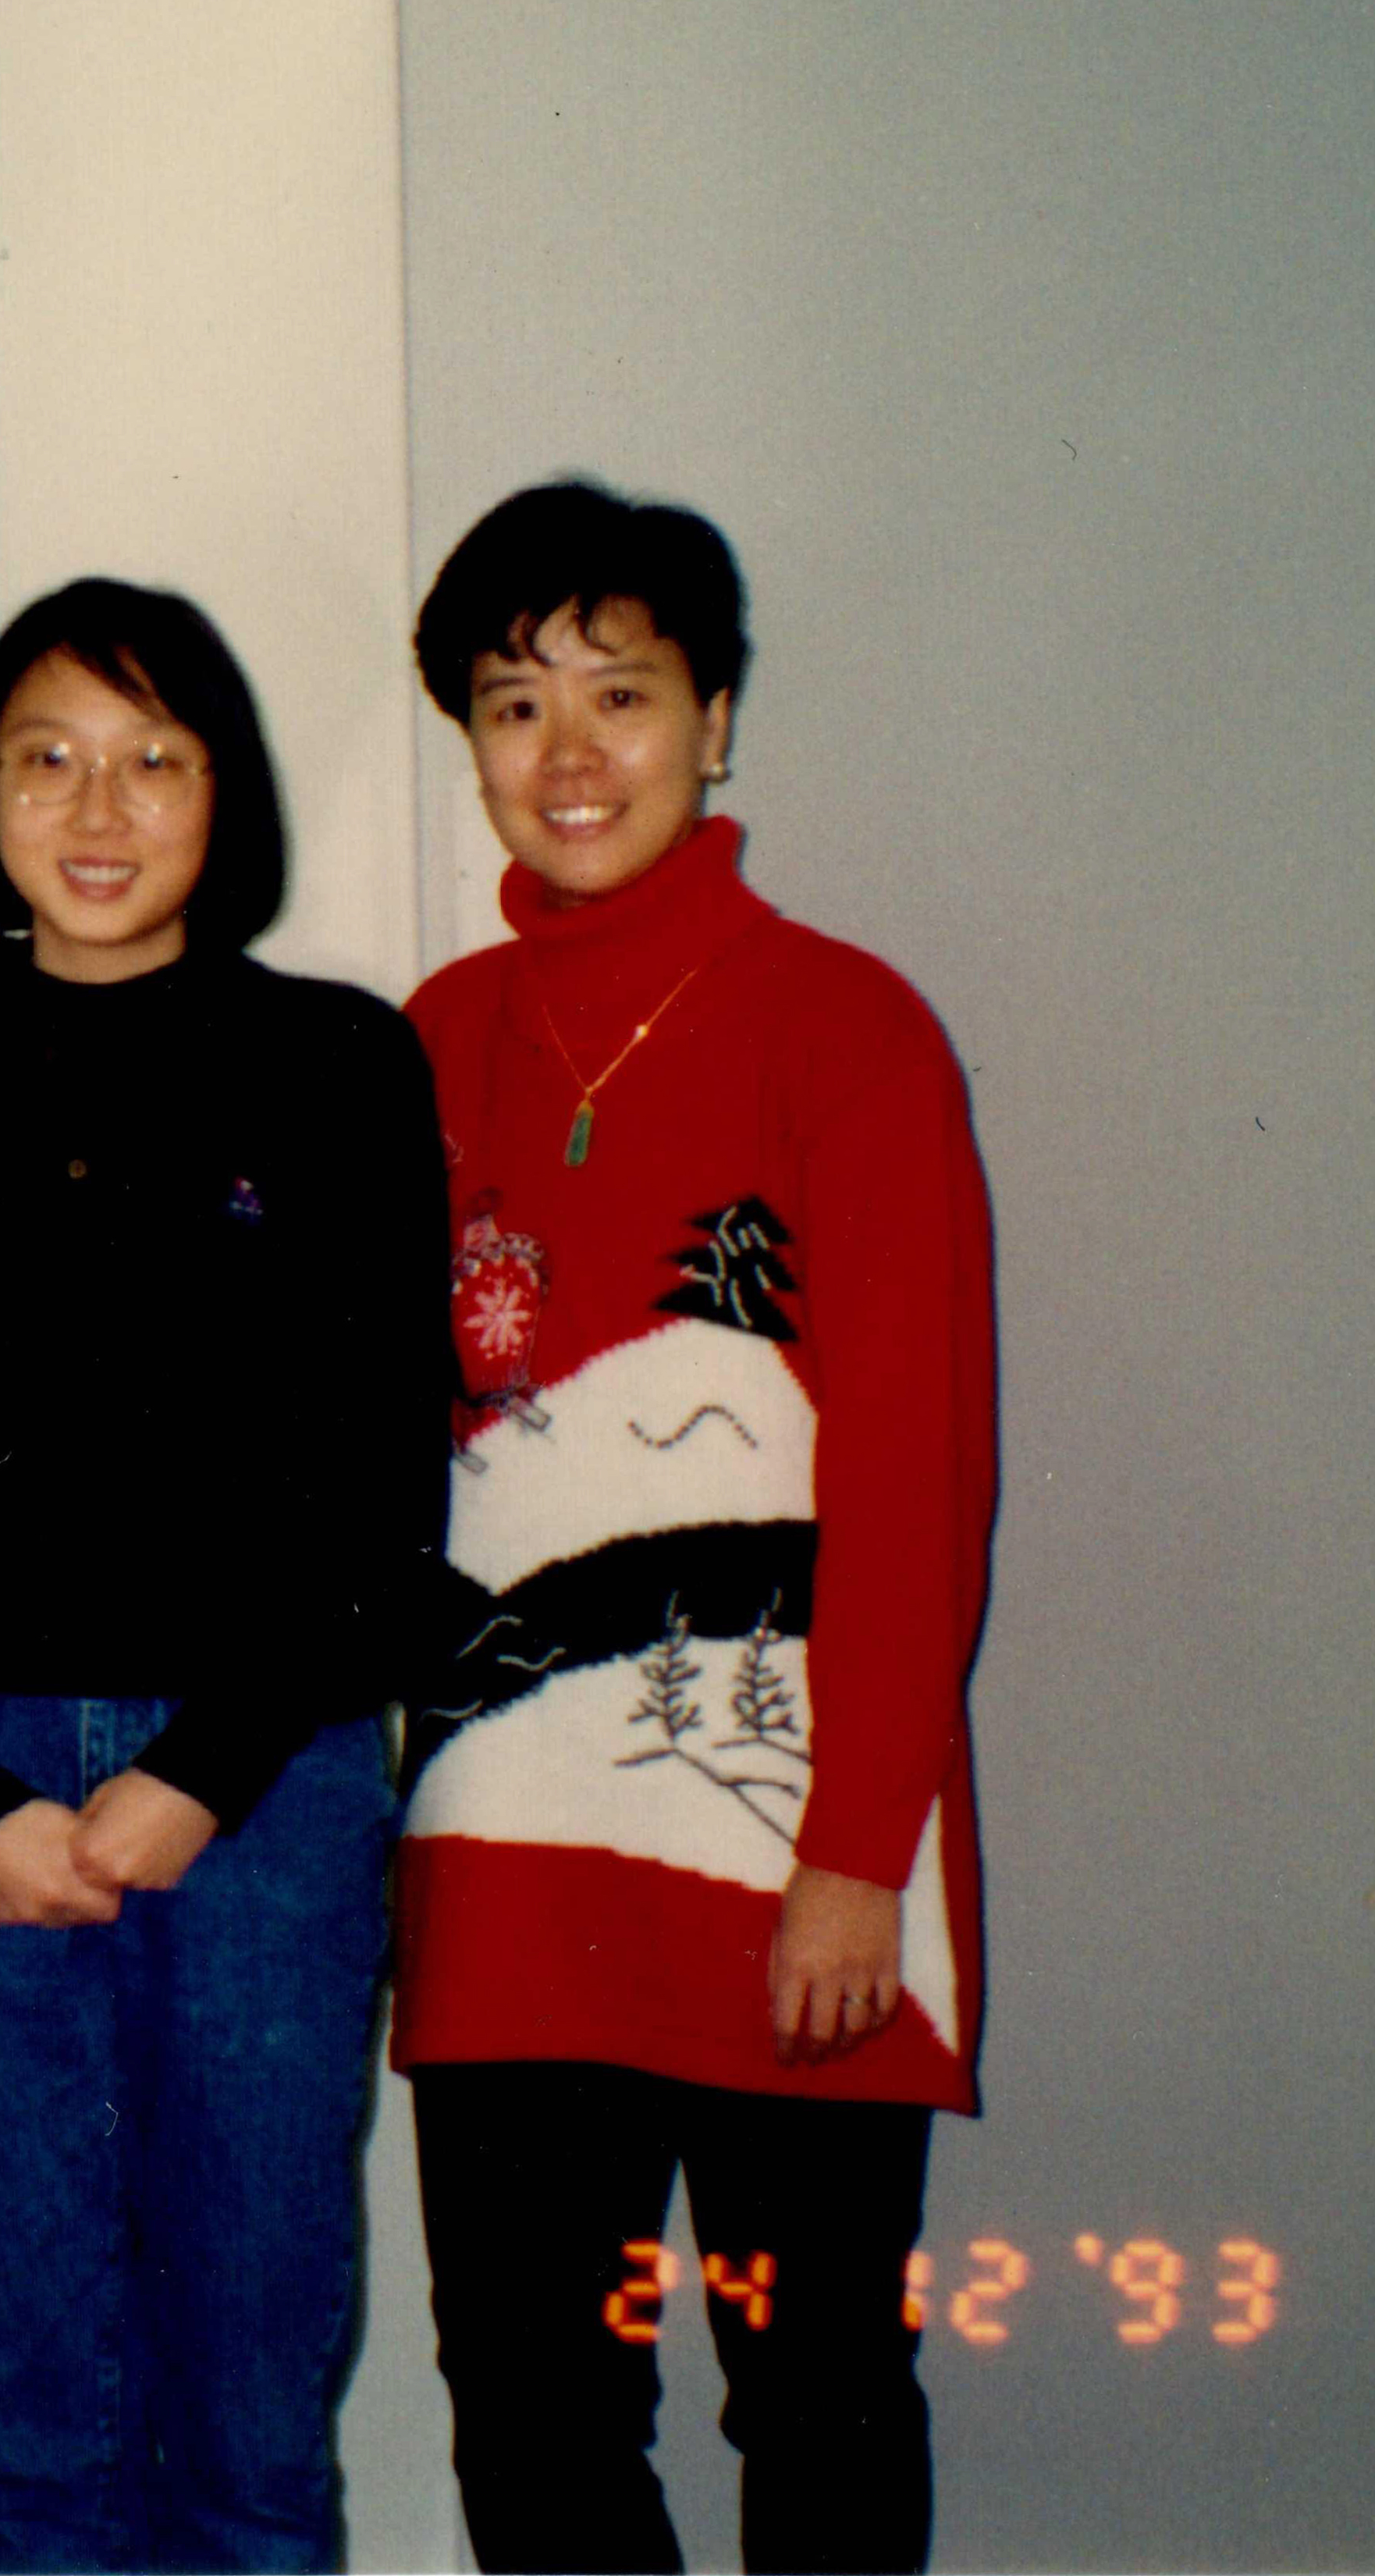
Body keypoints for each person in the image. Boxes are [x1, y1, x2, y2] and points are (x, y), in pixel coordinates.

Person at [0, 579, 450, 2573]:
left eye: (152, 758)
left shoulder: (335, 1063)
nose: (98, 806)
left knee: (251, 2419)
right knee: (33, 2423)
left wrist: (205, 1768)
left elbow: (374, 1479)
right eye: (46, 755)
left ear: (217, 797)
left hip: (268, 1781)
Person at [391, 478, 997, 2574]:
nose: (567, 757)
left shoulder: (850, 1029)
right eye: (509, 703)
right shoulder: (426, 1048)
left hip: (781, 1862)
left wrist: (855, 1858)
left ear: (715, 718)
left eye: (619, 697)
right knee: (534, 2423)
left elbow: (916, 1477)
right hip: (496, 1865)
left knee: (814, 2401)